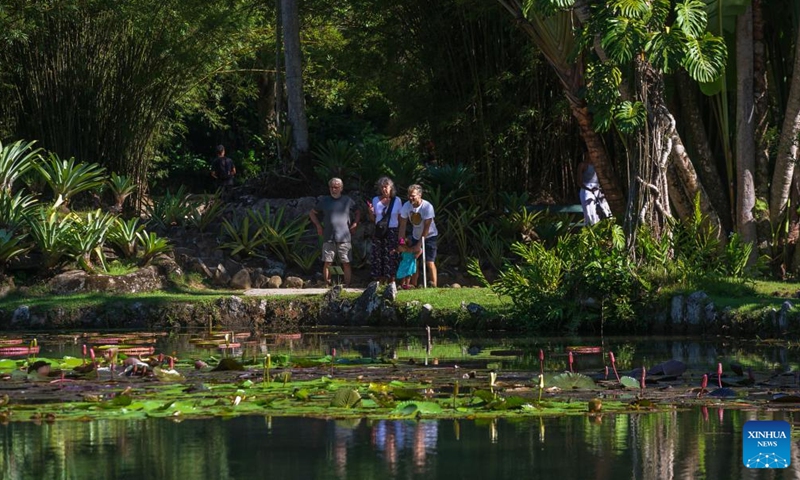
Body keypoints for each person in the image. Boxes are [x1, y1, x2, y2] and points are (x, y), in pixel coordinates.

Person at [309, 177, 361, 287]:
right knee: (327, 262)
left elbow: (358, 212)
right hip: (328, 236)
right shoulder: (324, 200)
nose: (334, 189)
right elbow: (312, 213)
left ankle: (347, 286)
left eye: (336, 187)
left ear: (341, 188)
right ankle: (327, 285)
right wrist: (318, 225)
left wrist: (355, 223)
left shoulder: (347, 200)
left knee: (346, 262)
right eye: (332, 187)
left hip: (344, 236)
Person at [398, 184, 438, 288]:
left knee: (429, 262)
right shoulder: (406, 206)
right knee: (413, 261)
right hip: (416, 235)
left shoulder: (427, 207)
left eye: (413, 196)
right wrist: (401, 242)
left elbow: (426, 228)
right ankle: (414, 285)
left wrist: (419, 245)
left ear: (420, 195)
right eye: (409, 195)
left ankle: (434, 285)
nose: (411, 198)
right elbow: (402, 225)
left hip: (430, 236)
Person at [366, 177, 402, 284]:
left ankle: (392, 281)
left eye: (386, 187)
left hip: (392, 231)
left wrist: (399, 234)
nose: (384, 189)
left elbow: (400, 218)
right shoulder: (375, 200)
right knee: (378, 255)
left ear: (391, 188)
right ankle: (380, 280)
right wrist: (370, 211)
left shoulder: (397, 200)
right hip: (379, 231)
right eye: (382, 187)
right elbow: (373, 219)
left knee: (391, 255)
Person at [577, 154, 612, 226]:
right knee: (590, 211)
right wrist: (589, 189)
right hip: (586, 189)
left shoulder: (598, 165)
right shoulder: (583, 165)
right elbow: (579, 181)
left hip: (598, 189)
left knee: (605, 209)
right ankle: (591, 228)